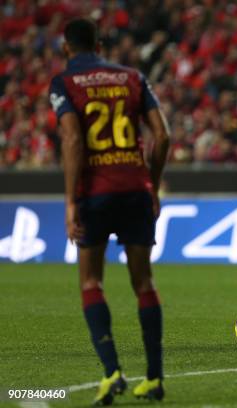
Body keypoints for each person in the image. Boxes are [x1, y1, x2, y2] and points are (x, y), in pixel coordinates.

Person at [49, 18, 169, 404]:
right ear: (98, 45)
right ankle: (153, 378)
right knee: (144, 283)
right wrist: (151, 181)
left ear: (66, 48)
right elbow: (162, 135)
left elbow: (71, 137)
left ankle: (112, 372)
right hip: (135, 188)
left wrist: (70, 201)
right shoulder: (132, 76)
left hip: (95, 194)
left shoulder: (64, 82)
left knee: (90, 283)